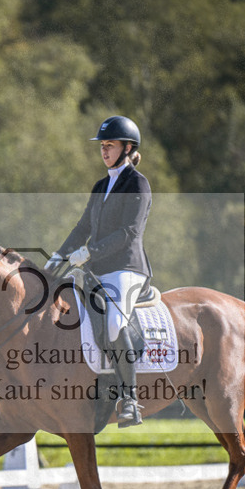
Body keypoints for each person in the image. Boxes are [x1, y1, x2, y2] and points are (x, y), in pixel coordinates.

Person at [45, 115, 152, 427]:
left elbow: (129, 234)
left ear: (128, 147)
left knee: (116, 322)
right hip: (96, 270)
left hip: (126, 269)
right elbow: (83, 227)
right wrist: (58, 256)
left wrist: (90, 251)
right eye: (102, 146)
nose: (104, 151)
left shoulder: (138, 184)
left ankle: (130, 400)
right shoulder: (101, 185)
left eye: (110, 145)